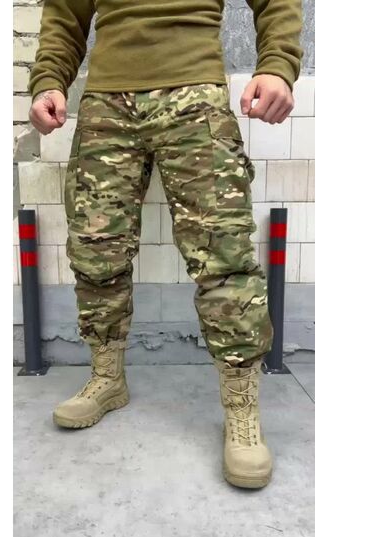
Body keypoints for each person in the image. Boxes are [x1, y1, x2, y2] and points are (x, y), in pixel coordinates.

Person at [28, 0, 302, 489]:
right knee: (96, 250)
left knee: (223, 256)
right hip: (106, 102)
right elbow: (65, 13)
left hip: (195, 94)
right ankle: (107, 377)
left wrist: (278, 64)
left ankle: (241, 407)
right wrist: (49, 79)